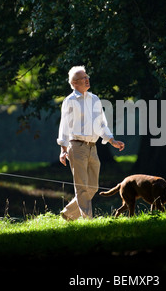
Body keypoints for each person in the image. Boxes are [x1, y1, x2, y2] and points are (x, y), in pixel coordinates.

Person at [57, 66, 125, 220]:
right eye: (83, 78)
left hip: (92, 147)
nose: (87, 79)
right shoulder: (69, 101)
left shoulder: (94, 99)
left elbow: (101, 124)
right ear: (74, 83)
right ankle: (88, 220)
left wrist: (112, 140)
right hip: (76, 146)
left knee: (93, 187)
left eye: (87, 77)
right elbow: (64, 126)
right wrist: (63, 149)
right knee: (81, 188)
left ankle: (68, 214)